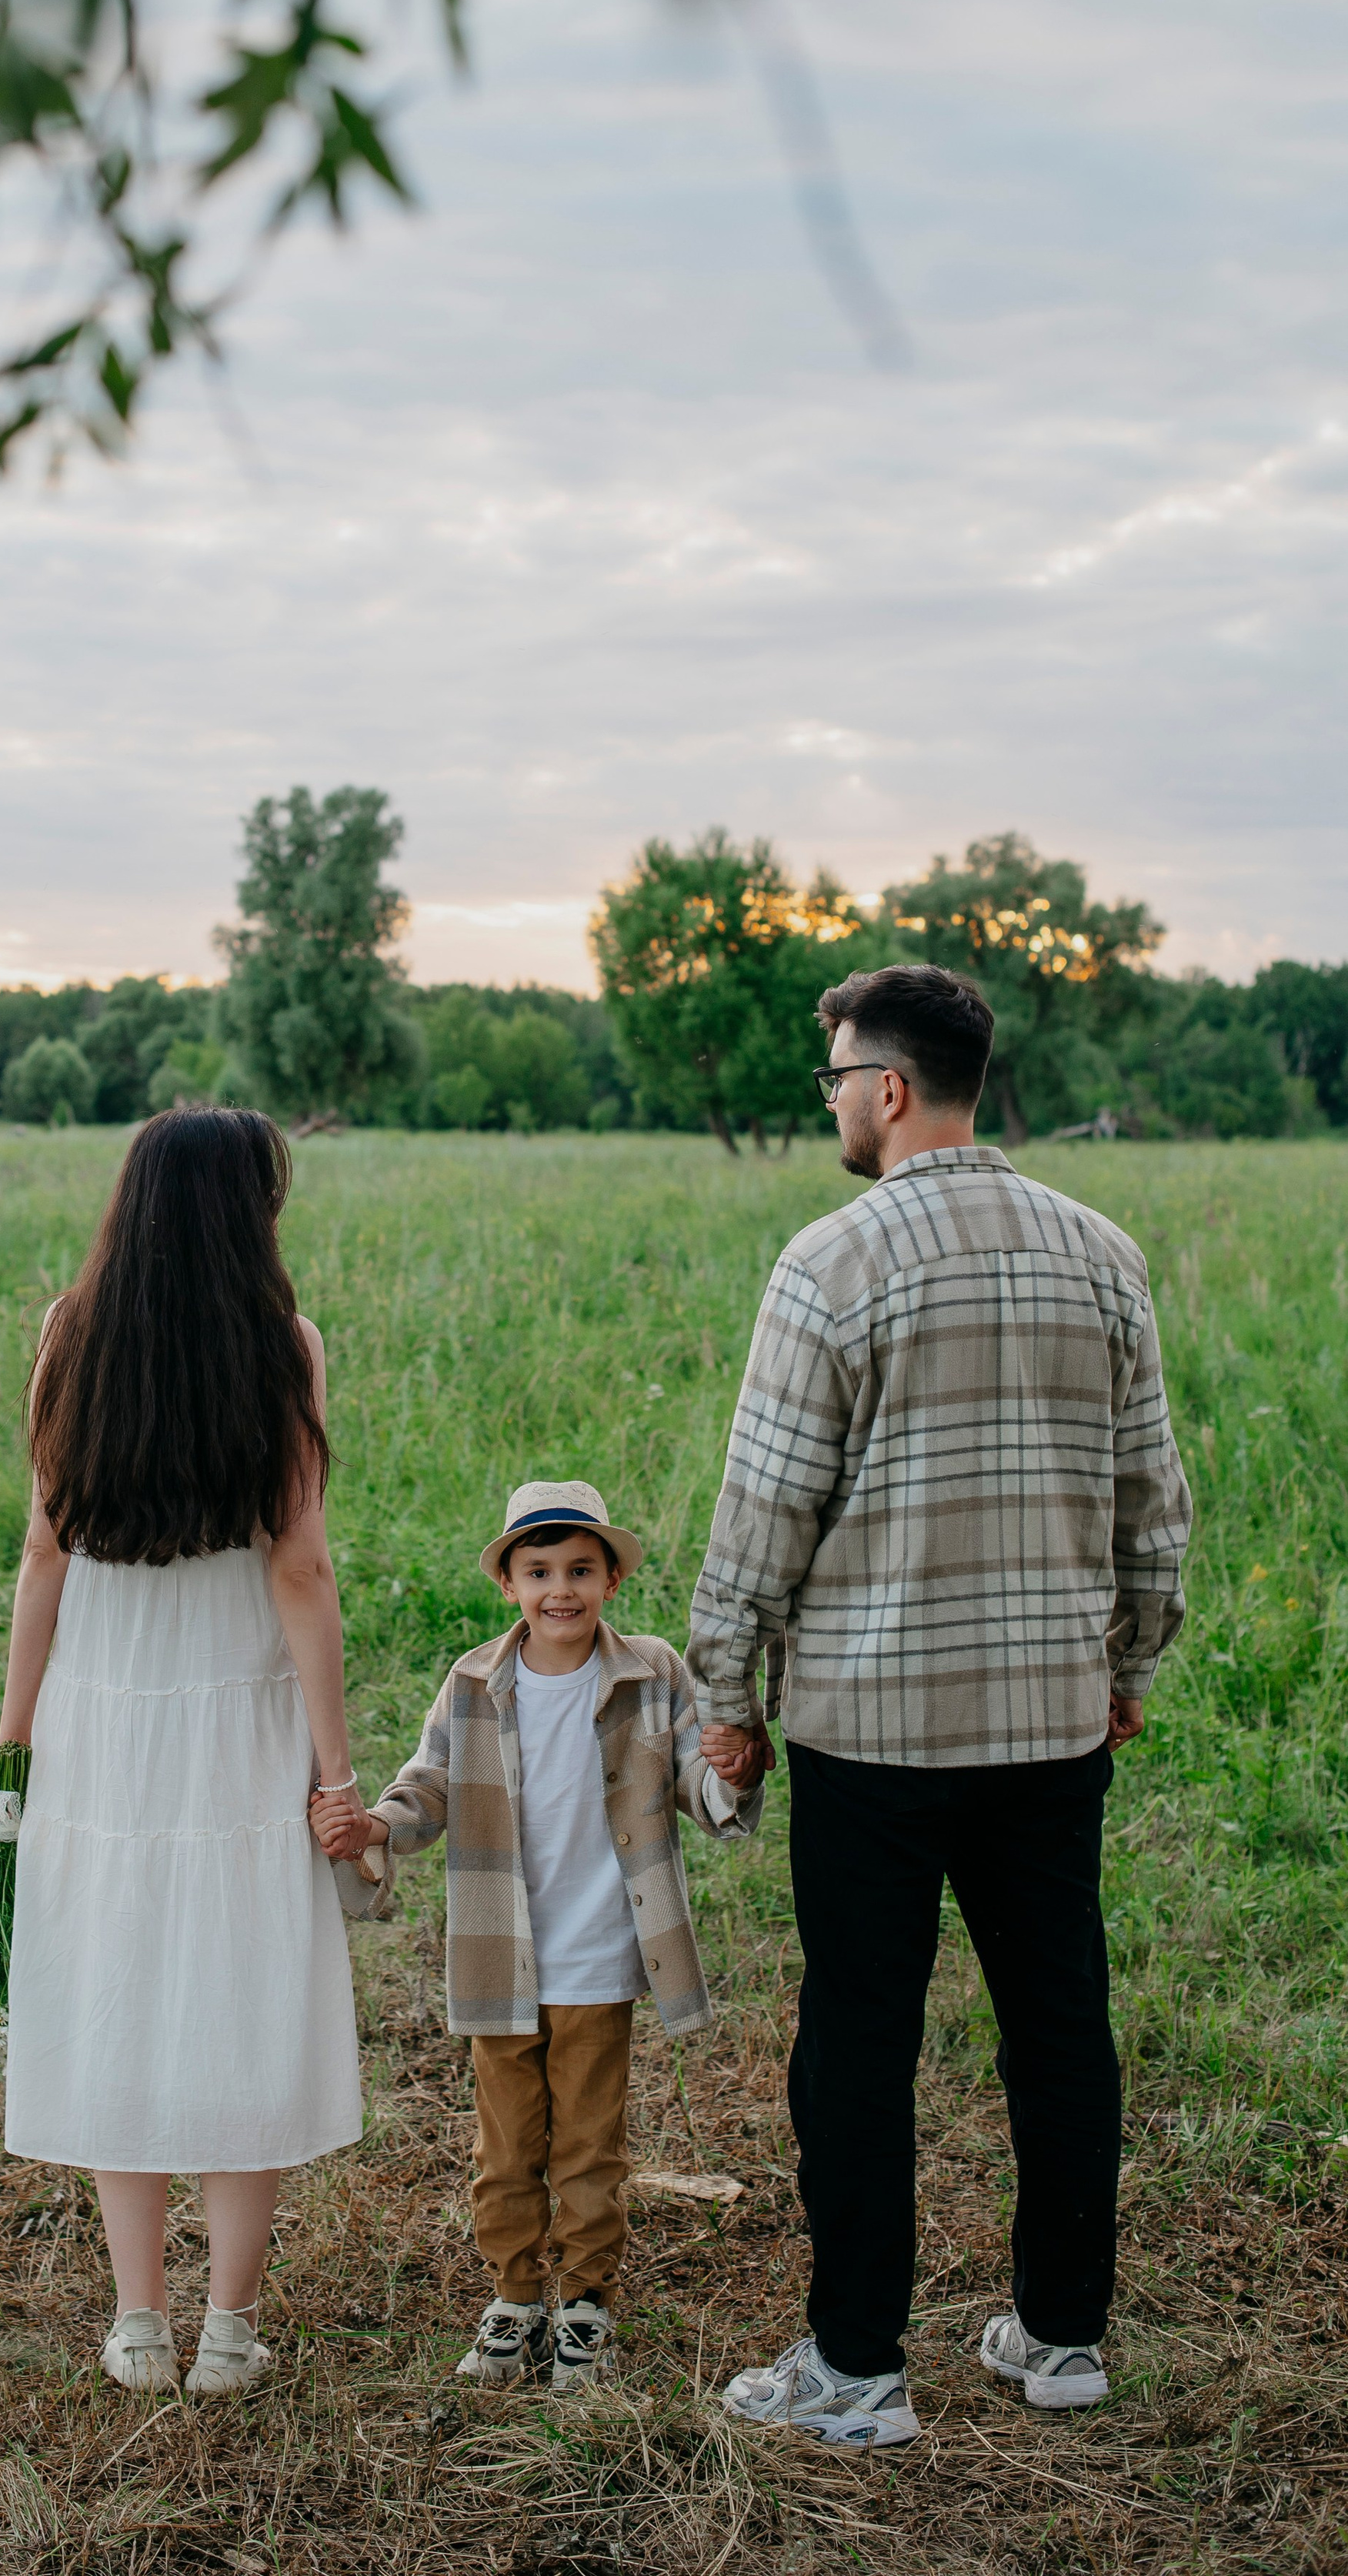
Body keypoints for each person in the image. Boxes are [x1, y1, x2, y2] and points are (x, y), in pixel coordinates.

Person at [690, 963, 1191, 2450]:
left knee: (859, 2037)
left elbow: (764, 1510)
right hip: (1049, 1722)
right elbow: (1154, 1502)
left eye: (837, 1079)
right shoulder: (1103, 1252)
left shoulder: (831, 1262)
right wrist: (1125, 1667)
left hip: (875, 1731)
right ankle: (1063, 2333)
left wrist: (727, 1695)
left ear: (890, 1087)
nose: (834, 1105)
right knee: (1061, 2022)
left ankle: (856, 2366)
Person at [0, 1106, 369, 2398]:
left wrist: (14, 1738)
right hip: (238, 1712)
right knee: (242, 1999)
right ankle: (229, 2330)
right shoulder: (285, 1347)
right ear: (249, 1210)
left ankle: (139, 2320)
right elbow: (300, 1570)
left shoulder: (69, 1335)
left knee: (119, 1991)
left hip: (102, 1714)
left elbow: (44, 1552)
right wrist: (334, 1771)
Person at [315, 1478, 764, 2391]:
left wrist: (734, 1770)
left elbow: (696, 1778)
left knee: (591, 2145)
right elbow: (428, 1784)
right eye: (540, 1570)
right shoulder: (474, 1681)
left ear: (610, 1580)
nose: (561, 1588)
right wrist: (375, 1825)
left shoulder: (649, 1672)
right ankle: (515, 2295)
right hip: (501, 1954)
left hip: (599, 1952)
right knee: (505, 2146)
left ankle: (586, 2302)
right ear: (509, 1583)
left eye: (580, 1569)